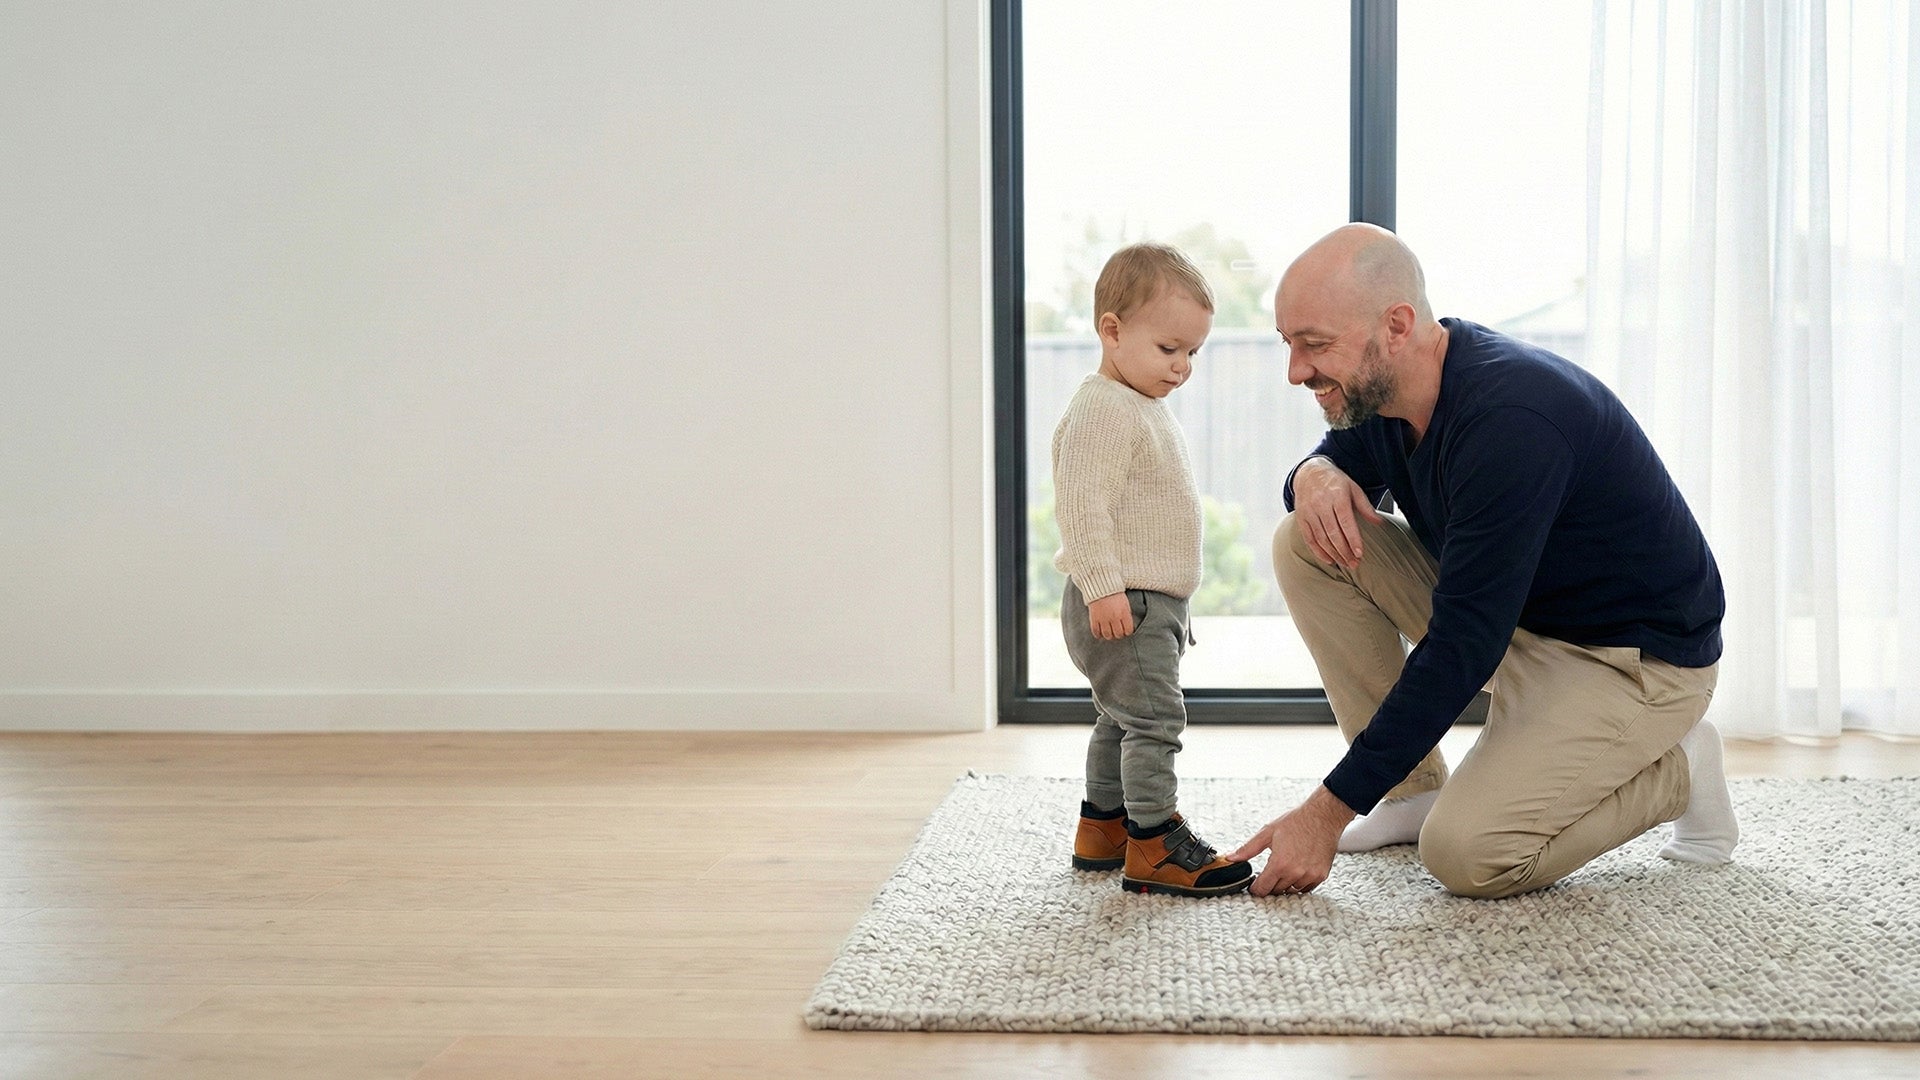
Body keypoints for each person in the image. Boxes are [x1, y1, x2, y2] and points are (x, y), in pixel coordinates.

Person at [1229, 223, 1738, 900]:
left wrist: (1328, 810)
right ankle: (1412, 795)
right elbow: (1330, 464)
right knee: (1307, 539)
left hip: (1636, 664)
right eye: (1288, 344)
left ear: (1398, 325)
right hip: (1522, 623)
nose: (1297, 370)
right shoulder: (1386, 393)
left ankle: (1680, 766)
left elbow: (1461, 647)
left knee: (1470, 857)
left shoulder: (1512, 420)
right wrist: (1313, 472)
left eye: (1314, 345)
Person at [1053, 242, 1253, 897]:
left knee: (1121, 718)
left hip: (1145, 601)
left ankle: (1104, 827)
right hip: (1123, 600)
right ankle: (1155, 845)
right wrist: (1103, 587)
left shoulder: (1138, 405)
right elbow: (1082, 507)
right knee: (1155, 724)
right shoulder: (1103, 409)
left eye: (1192, 352)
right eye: (1170, 349)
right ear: (1112, 332)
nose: (1183, 366)